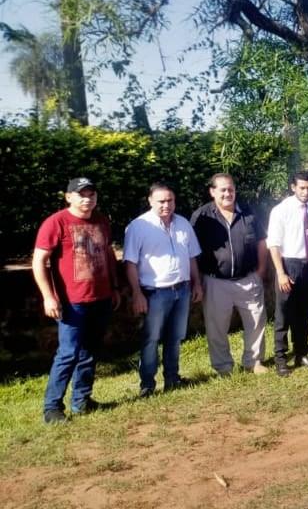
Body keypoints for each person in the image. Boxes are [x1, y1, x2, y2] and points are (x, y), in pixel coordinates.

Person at [33, 177, 120, 424]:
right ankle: (52, 408)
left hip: (101, 298)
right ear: (68, 197)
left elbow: (109, 254)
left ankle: (82, 401)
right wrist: (48, 297)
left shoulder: (102, 221)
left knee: (90, 352)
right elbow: (39, 261)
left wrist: (114, 287)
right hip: (72, 302)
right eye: (81, 194)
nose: (87, 199)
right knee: (68, 353)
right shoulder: (56, 222)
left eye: (91, 194)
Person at [124, 183, 203, 396]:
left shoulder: (183, 224)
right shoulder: (138, 226)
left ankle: (172, 378)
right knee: (151, 339)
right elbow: (130, 263)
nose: (166, 205)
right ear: (150, 201)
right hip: (155, 293)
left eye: (170, 201)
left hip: (182, 290)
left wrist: (196, 283)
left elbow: (192, 256)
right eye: (161, 201)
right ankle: (147, 385)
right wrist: (137, 293)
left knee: (175, 337)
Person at [190, 173, 269, 376]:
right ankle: (223, 367)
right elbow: (192, 252)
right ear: (212, 191)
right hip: (216, 283)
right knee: (216, 327)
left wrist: (260, 270)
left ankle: (253, 362)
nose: (227, 193)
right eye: (223, 189)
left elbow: (262, 241)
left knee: (256, 322)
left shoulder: (248, 212)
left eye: (231, 189)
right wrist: (197, 281)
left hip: (248, 279)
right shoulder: (202, 217)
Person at [266, 170, 308, 377]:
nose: (306, 191)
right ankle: (281, 358)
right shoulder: (281, 210)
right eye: (302, 188)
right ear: (293, 187)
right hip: (288, 264)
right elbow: (273, 244)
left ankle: (301, 353)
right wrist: (281, 273)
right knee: (284, 314)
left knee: (305, 313)